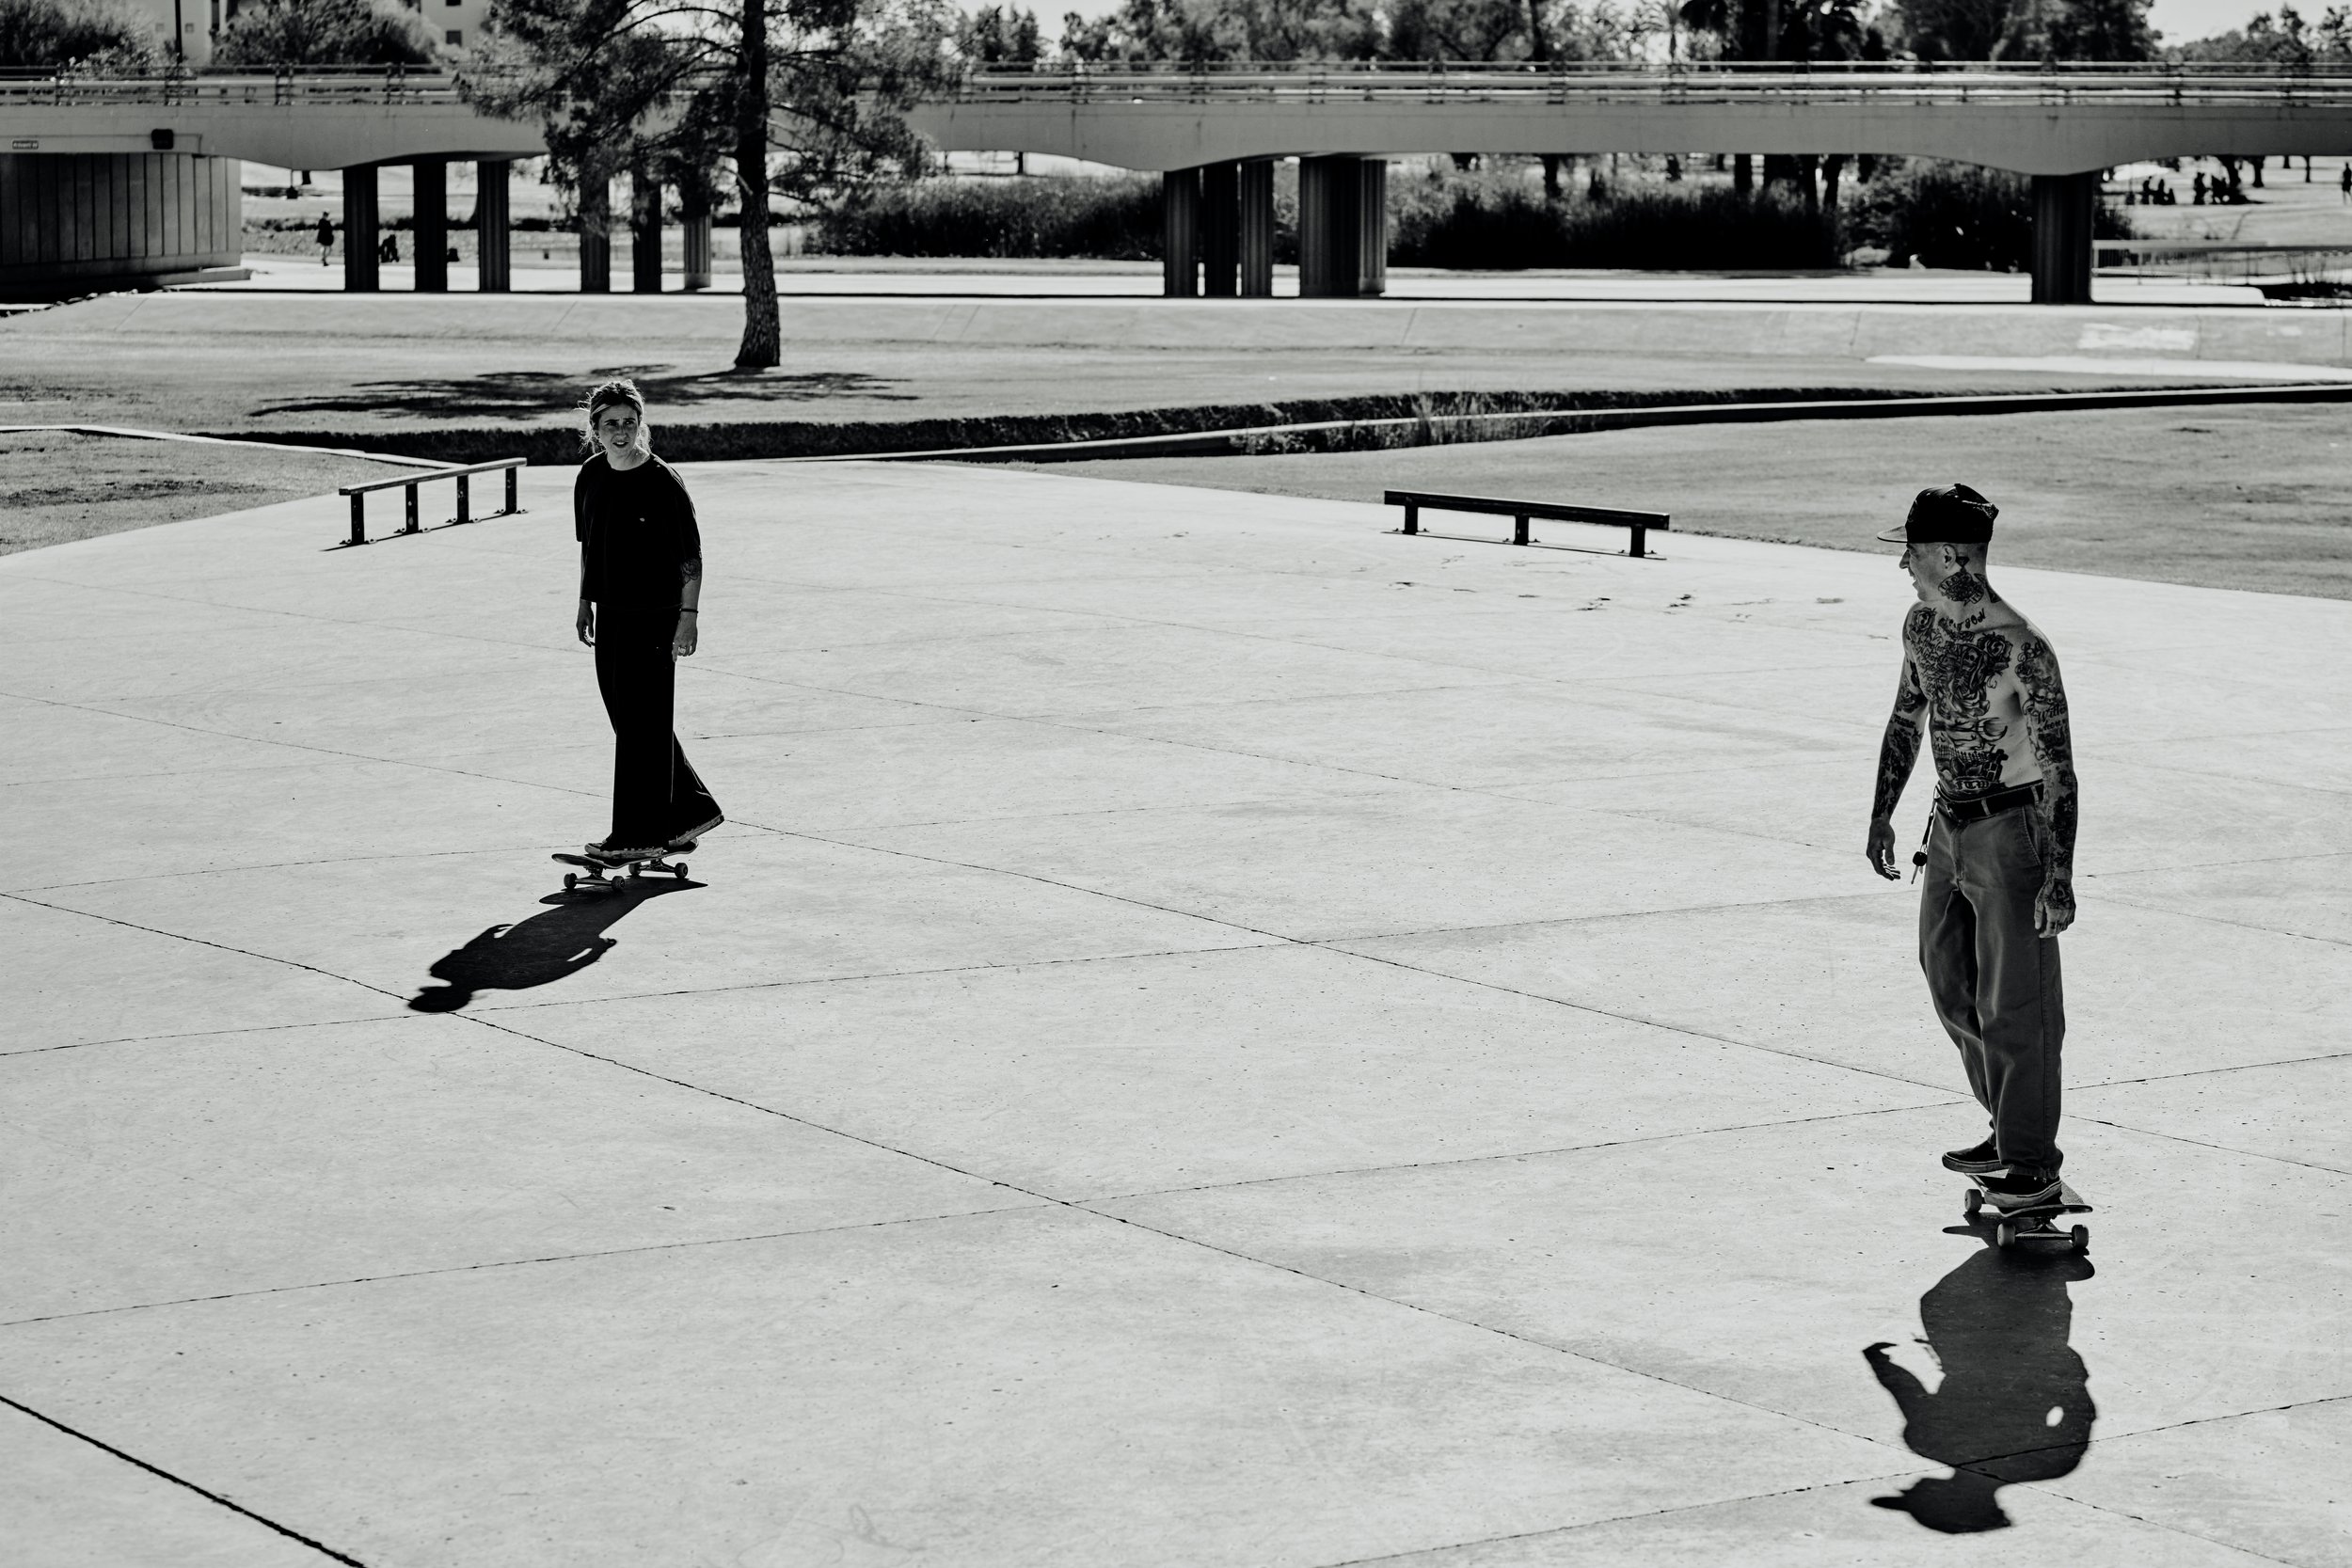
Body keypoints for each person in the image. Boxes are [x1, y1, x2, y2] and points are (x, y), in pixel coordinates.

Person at [1865, 484, 2078, 1212]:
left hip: (2012, 829)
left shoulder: (2023, 647)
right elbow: (1904, 719)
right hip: (1947, 827)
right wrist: (1881, 812)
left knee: (2017, 1000)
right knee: (1948, 976)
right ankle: (2006, 1127)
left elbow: (2059, 768)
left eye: (1911, 551)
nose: (1902, 564)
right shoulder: (1920, 626)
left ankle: (2029, 1159)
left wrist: (2060, 875)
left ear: (1950, 556)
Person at [573, 379, 723, 864]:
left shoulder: (662, 483)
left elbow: (691, 560)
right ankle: (685, 816)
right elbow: (589, 546)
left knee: (641, 726)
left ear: (641, 425)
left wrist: (689, 618)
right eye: (611, 423)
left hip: (657, 620)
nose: (621, 432)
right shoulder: (591, 475)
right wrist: (583, 602)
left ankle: (633, 837)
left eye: (629, 423)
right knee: (637, 722)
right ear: (594, 428)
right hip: (611, 616)